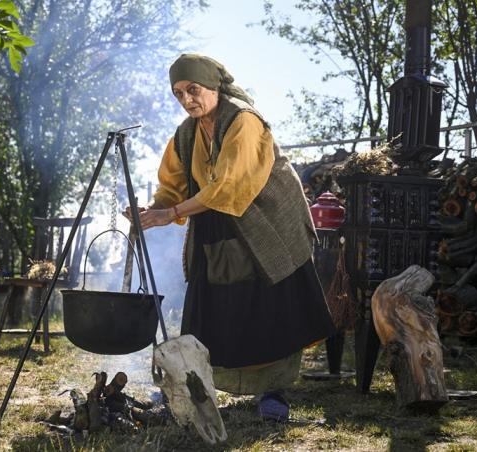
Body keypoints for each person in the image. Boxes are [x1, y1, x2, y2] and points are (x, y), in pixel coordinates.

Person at [127, 54, 336, 422]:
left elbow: (230, 186)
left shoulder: (243, 120)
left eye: (193, 89)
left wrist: (171, 214)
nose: (187, 99)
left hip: (265, 227)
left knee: (267, 313)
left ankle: (274, 395)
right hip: (214, 225)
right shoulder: (186, 133)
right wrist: (153, 210)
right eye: (178, 93)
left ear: (213, 87)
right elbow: (172, 186)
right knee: (210, 311)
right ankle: (195, 388)